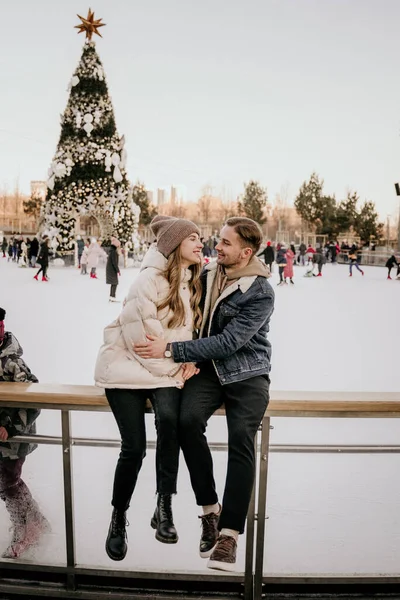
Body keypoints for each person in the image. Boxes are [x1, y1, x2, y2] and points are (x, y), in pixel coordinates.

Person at [134, 217, 274, 572]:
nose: (217, 247)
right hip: (208, 369)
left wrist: (174, 351)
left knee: (242, 437)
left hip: (247, 372)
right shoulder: (208, 274)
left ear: (245, 252)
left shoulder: (260, 291)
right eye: (219, 240)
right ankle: (210, 511)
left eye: (225, 243)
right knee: (186, 421)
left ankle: (229, 535)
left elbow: (230, 343)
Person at [94, 215, 203, 561]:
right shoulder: (146, 281)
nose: (200, 243)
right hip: (126, 370)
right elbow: (142, 341)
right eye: (193, 239)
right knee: (135, 447)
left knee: (169, 422)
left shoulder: (191, 281)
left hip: (162, 369)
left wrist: (183, 353)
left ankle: (164, 506)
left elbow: (185, 336)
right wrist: (177, 361)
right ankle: (117, 517)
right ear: (174, 245)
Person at [0, 308, 49, 559]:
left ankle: (25, 531)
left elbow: (32, 401)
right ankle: (36, 522)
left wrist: (10, 427)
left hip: (15, 438)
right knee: (6, 482)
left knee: (8, 481)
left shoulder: (13, 364)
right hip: (2, 440)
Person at [106, 237, 121, 302]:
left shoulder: (112, 251)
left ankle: (111, 297)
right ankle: (112, 297)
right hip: (112, 270)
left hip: (110, 269)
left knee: (113, 283)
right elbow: (114, 262)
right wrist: (118, 270)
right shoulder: (113, 252)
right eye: (118, 245)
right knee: (114, 283)